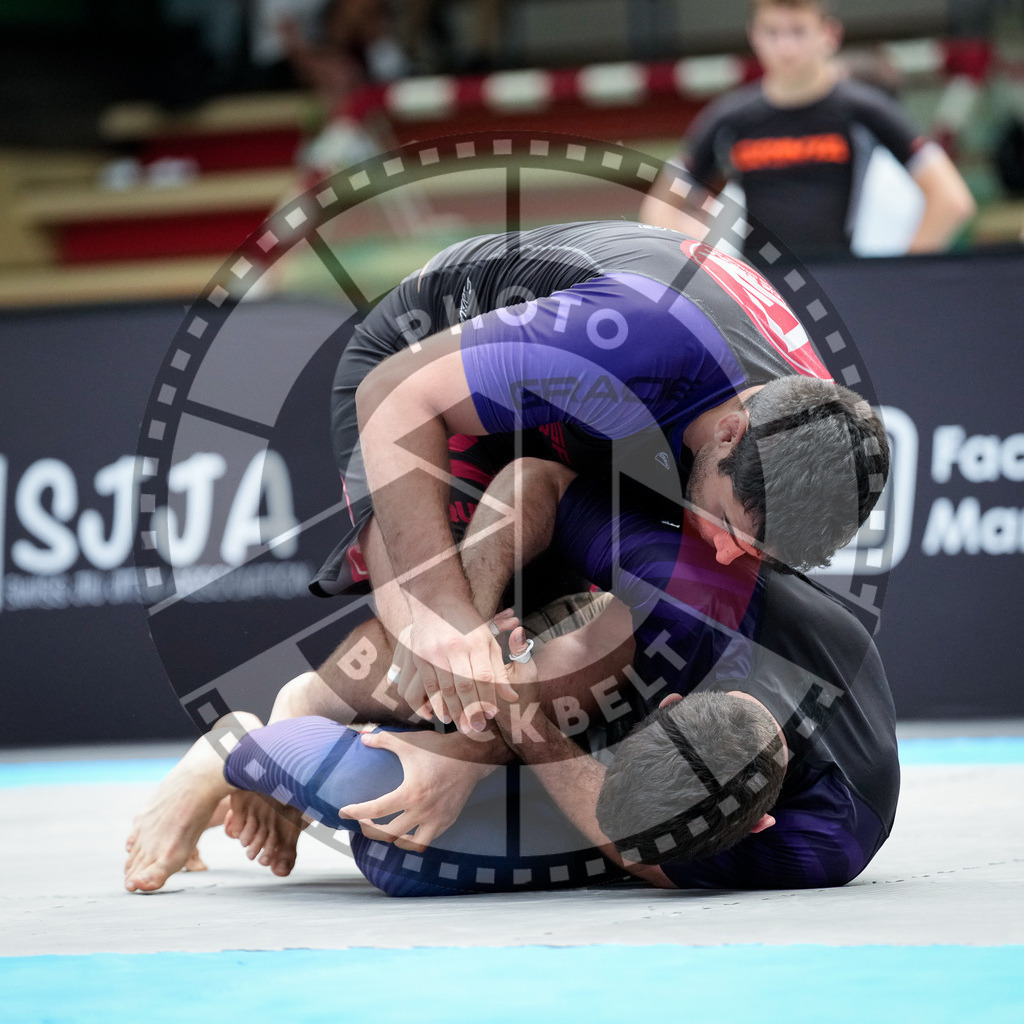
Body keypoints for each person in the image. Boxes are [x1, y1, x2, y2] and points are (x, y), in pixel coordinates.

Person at [125, 457, 898, 896]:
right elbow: (539, 480)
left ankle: (250, 744)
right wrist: (467, 637)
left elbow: (638, 852)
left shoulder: (825, 836)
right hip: (587, 610)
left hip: (649, 782)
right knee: (538, 665)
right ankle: (293, 710)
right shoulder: (684, 599)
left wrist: (489, 741)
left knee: (400, 852)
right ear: (669, 701)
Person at [313, 220, 889, 735]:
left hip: (582, 410)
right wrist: (441, 613)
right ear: (731, 433)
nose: (721, 552)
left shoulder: (818, 428)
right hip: (421, 366)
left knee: (558, 652)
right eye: (727, 525)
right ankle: (298, 719)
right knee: (442, 648)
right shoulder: (638, 339)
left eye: (756, 549)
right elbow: (395, 394)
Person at [639, 0, 976, 258]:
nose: (785, 47)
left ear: (828, 35)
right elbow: (658, 209)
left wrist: (900, 279)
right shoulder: (730, 118)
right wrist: (708, 275)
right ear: (754, 36)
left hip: (845, 295)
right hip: (760, 303)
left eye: (798, 31)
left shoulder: (865, 111)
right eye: (772, 32)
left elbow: (952, 199)